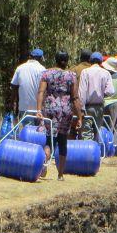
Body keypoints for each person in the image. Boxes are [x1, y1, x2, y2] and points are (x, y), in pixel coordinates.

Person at [36, 51, 82, 180]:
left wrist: (38, 109)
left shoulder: (46, 73)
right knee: (62, 140)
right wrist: (79, 117)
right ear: (66, 61)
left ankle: (44, 165)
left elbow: (41, 92)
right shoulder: (71, 76)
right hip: (65, 110)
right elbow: (75, 98)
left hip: (50, 108)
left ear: (55, 59)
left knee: (49, 139)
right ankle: (60, 174)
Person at [78, 52, 114, 140]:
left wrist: (81, 109)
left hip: (88, 107)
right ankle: (96, 147)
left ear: (90, 61)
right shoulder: (106, 73)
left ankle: (88, 148)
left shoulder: (85, 72)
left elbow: (82, 92)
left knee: (86, 132)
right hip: (100, 107)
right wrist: (101, 94)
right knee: (97, 131)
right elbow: (110, 91)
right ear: (101, 62)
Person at [10, 48, 46, 121]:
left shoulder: (20, 68)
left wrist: (12, 103)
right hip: (38, 110)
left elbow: (14, 87)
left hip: (23, 108)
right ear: (41, 58)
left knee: (25, 128)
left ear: (30, 56)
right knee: (37, 128)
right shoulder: (42, 69)